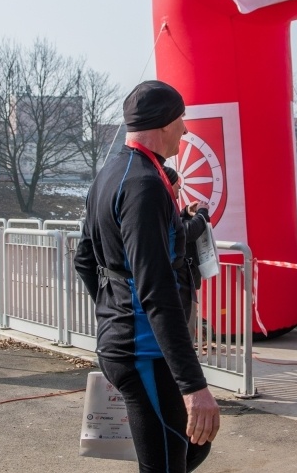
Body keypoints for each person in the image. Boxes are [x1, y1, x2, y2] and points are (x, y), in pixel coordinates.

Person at [74, 80, 220, 472]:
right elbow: (156, 290)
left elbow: (84, 259)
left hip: (127, 342)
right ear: (162, 123)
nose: (185, 130)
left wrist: (114, 311)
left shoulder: (109, 174)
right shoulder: (144, 185)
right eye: (180, 121)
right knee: (170, 460)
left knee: (192, 448)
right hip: (143, 350)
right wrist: (194, 386)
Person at [163, 166, 209, 341]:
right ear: (168, 184)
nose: (180, 189)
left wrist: (184, 212)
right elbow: (184, 232)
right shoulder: (161, 203)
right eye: (177, 185)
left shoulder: (163, 203)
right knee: (182, 328)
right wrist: (202, 214)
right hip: (177, 278)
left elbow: (176, 225)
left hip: (179, 276)